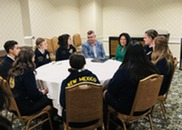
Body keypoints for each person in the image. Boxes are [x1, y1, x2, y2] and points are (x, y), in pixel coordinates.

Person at [103, 41, 159, 129]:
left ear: (127, 53)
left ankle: (109, 124)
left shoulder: (125, 70)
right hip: (146, 106)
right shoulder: (151, 67)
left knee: (104, 93)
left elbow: (111, 89)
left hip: (128, 108)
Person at [60, 53, 100, 127]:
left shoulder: (66, 82)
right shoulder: (94, 78)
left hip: (73, 121)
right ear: (84, 63)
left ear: (70, 64)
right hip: (94, 117)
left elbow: (63, 103)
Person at [8, 48, 51, 116]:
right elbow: (34, 95)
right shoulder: (27, 72)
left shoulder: (14, 70)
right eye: (33, 57)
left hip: (16, 105)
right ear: (30, 59)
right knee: (49, 97)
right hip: (26, 107)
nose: (34, 59)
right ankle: (50, 124)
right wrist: (42, 92)